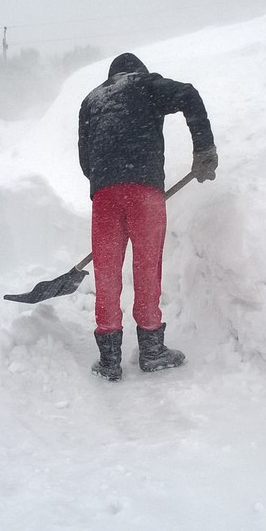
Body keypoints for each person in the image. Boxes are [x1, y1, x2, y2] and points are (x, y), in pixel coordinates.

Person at [78, 53, 217, 381]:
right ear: (135, 71)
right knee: (146, 266)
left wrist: (108, 179)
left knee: (107, 270)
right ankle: (152, 349)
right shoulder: (144, 84)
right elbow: (188, 95)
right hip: (144, 190)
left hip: (104, 194)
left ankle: (109, 358)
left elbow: (86, 158)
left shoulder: (91, 100)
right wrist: (204, 150)